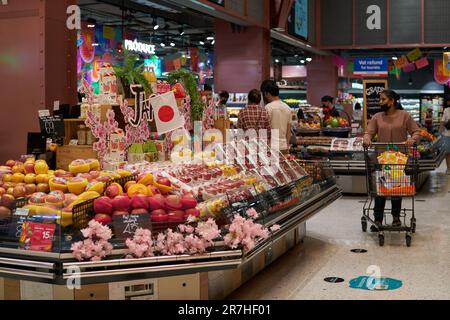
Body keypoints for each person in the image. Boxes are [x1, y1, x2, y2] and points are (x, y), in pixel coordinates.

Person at [363, 89, 421, 231]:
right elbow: (368, 132)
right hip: (381, 160)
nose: (380, 102)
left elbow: (416, 131)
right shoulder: (377, 117)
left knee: (396, 188)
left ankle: (396, 218)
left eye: (383, 99)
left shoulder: (405, 116)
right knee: (380, 190)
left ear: (392, 101)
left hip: (398, 159)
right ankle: (378, 219)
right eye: (380, 99)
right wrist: (367, 138)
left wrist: (412, 140)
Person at [260, 80, 292, 154]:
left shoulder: (268, 108)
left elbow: (264, 130)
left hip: (271, 147)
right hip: (283, 146)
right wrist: (287, 147)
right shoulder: (287, 108)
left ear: (267, 93)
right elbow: (288, 130)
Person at [439, 105, 450, 175]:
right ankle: (449, 168)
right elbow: (442, 121)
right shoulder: (446, 110)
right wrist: (440, 130)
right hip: (447, 134)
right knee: (448, 152)